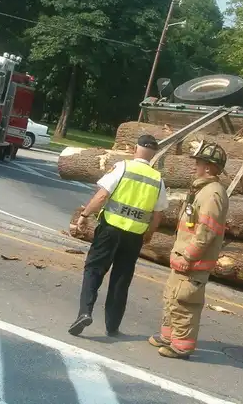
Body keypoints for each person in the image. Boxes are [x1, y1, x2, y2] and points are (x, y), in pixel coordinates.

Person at [68, 134, 168, 337]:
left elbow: (102, 195)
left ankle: (85, 312)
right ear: (153, 155)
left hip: (110, 230)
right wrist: (148, 233)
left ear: (135, 149)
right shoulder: (158, 180)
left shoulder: (123, 167)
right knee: (121, 279)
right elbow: (158, 214)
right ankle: (112, 325)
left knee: (94, 269)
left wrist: (85, 215)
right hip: (134, 237)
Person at [149, 141, 229, 360]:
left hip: (192, 262)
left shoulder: (213, 194)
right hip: (183, 259)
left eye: (199, 162)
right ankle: (169, 337)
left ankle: (182, 347)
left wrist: (189, 256)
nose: (195, 166)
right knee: (172, 299)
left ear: (209, 167)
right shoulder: (202, 189)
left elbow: (207, 231)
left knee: (185, 303)